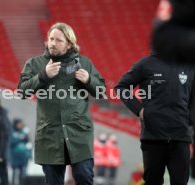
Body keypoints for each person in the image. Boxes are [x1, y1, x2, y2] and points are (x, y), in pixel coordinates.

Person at [17, 22, 106, 185]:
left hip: (78, 133)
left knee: (84, 177)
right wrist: (43, 75)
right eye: (51, 39)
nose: (52, 43)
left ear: (69, 44)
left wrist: (88, 80)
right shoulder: (35, 64)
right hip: (50, 134)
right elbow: (22, 91)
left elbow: (101, 91)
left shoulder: (84, 63)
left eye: (58, 40)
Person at [115, 52, 195, 185]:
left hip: (180, 137)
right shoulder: (146, 64)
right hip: (153, 137)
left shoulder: (189, 66)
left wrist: (190, 120)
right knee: (153, 181)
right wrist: (139, 110)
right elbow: (121, 88)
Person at [9, 119, 31, 185]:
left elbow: (27, 142)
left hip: (23, 157)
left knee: (22, 174)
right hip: (14, 156)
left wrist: (26, 137)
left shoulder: (24, 131)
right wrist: (20, 138)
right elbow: (11, 142)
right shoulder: (12, 132)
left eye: (21, 124)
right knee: (14, 173)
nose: (20, 125)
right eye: (19, 124)